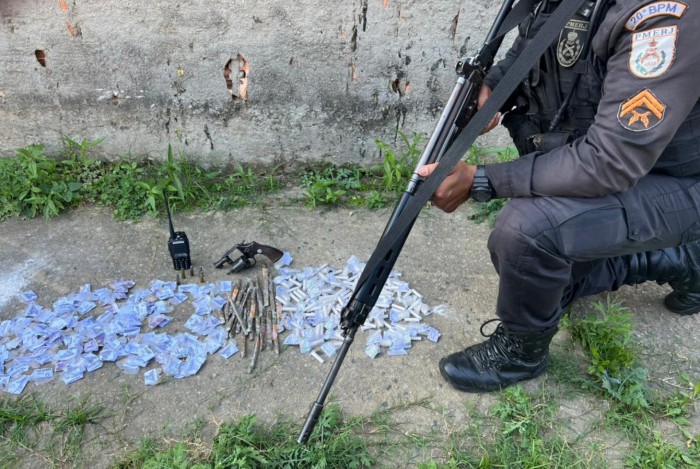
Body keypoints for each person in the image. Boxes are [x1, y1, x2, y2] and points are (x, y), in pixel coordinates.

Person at [417, 0, 700, 392]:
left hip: (677, 183)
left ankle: (520, 355)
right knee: (542, 278)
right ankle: (677, 259)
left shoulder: (663, 17)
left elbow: (610, 160)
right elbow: (532, 47)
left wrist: (482, 180)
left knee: (527, 230)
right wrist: (492, 86)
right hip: (628, 171)